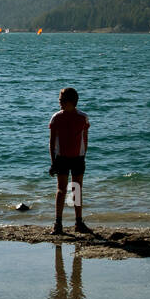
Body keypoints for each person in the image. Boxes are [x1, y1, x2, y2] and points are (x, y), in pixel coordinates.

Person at [48, 87, 91, 235]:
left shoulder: (83, 117)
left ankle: (79, 222)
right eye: (59, 100)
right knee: (61, 190)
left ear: (72, 102)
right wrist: (53, 162)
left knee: (76, 189)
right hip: (61, 158)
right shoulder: (56, 118)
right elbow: (52, 142)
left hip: (78, 158)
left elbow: (85, 139)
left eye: (62, 100)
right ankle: (58, 223)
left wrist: (83, 156)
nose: (59, 102)